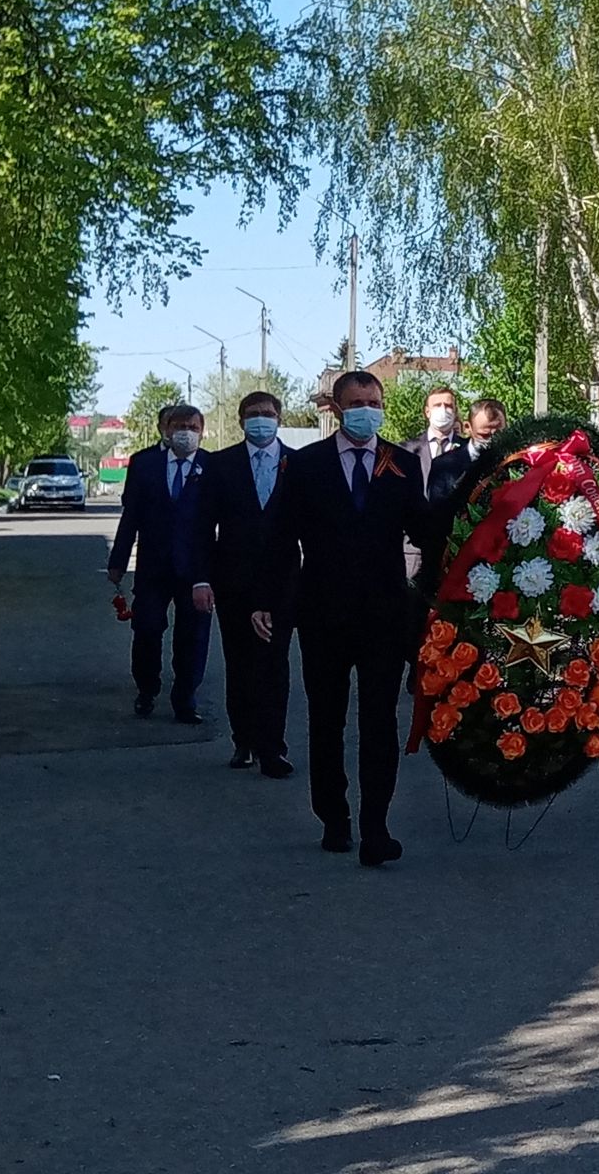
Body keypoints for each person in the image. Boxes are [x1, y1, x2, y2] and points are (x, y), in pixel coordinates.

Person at [253, 371, 431, 868]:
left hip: (383, 615)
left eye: (374, 402)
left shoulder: (400, 462)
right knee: (326, 720)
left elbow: (424, 528)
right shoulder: (306, 464)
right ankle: (334, 816)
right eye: (356, 402)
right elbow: (280, 538)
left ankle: (377, 826)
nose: (367, 410)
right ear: (336, 407)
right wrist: (265, 598)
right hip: (323, 614)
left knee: (379, 722)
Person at [191, 391, 296, 776]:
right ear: (241, 420)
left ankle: (274, 747)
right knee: (240, 664)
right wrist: (201, 580)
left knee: (274, 664)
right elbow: (203, 528)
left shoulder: (296, 465)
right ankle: (244, 740)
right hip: (233, 581)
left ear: (279, 418)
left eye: (267, 414)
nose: (261, 420)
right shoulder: (221, 465)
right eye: (253, 414)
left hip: (283, 582)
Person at [107, 403, 212, 723]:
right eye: (180, 426)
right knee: (147, 629)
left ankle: (186, 698)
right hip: (153, 567)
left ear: (202, 431)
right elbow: (132, 516)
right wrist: (118, 560)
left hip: (196, 570)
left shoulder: (213, 466)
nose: (186, 433)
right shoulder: (144, 464)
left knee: (192, 636)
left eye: (193, 427)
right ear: (165, 429)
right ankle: (147, 688)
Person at [425, 398, 508, 557]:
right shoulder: (444, 466)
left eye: (499, 432)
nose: (492, 440)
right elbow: (436, 519)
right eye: (484, 434)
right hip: (457, 555)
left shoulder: (516, 462)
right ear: (468, 427)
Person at [400, 386, 459, 579]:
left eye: (448, 405)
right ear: (427, 411)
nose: (443, 410)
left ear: (456, 411)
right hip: (415, 555)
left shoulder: (469, 450)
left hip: (457, 552)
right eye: (437, 405)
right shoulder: (406, 451)